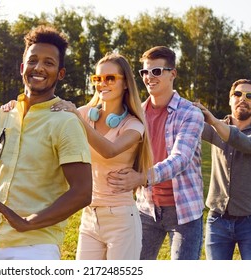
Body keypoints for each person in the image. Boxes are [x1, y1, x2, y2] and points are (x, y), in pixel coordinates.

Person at [0, 25, 93, 260]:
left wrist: (28, 223)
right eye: (33, 60)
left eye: (49, 63)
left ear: (60, 73)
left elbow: (82, 192)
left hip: (35, 248)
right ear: (23, 68)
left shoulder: (65, 123)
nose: (39, 67)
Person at [48, 53, 153, 259]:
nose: (102, 83)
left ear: (125, 84)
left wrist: (77, 119)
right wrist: (15, 108)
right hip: (90, 215)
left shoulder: (134, 124)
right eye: (97, 79)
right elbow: (47, 117)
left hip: (122, 218)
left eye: (110, 78)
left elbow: (110, 150)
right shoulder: (86, 114)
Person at [107, 46, 205, 260]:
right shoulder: (136, 115)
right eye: (145, 72)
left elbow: (181, 159)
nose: (149, 77)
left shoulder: (190, 114)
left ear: (173, 74)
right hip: (146, 207)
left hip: (184, 211)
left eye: (156, 71)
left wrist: (142, 177)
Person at [193, 79, 251, 260]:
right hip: (217, 219)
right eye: (237, 94)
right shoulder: (214, 127)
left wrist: (213, 121)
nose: (242, 99)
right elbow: (186, 123)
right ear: (230, 99)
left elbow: (245, 143)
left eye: (249, 96)